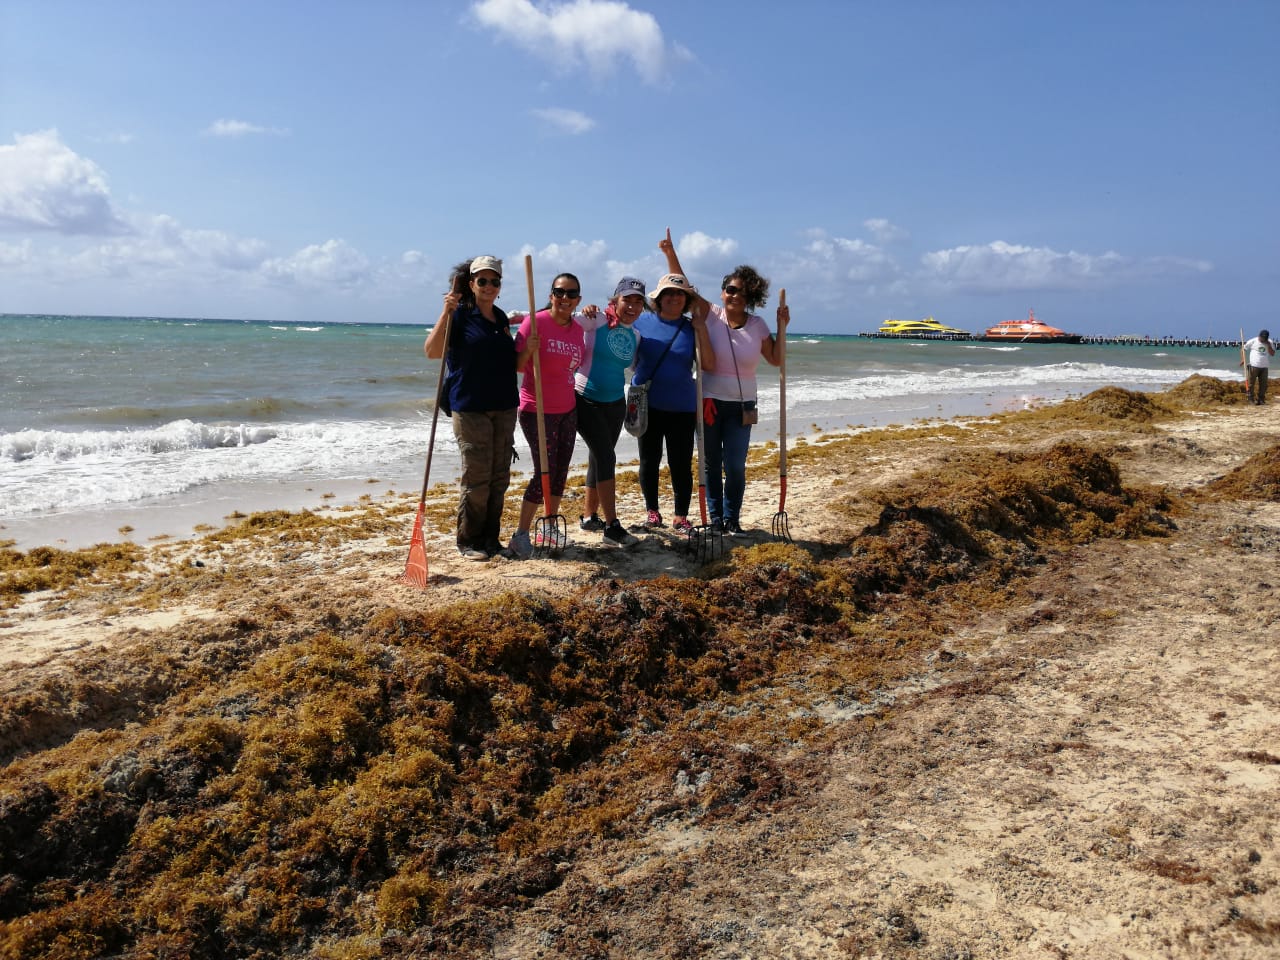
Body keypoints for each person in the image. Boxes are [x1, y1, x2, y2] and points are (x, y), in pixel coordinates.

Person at [661, 230, 788, 535]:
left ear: (751, 298)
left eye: (742, 293)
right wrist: (669, 253)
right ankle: (715, 519)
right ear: (722, 292)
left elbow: (775, 359)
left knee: (734, 466)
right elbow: (684, 285)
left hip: (742, 406)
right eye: (730, 289)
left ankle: (733, 518)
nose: (734, 295)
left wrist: (782, 327)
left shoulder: (758, 326)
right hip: (708, 401)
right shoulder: (710, 314)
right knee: (709, 464)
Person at [424, 255, 527, 560]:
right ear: (471, 284)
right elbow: (431, 351)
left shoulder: (499, 318)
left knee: (499, 477)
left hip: (505, 406)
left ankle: (490, 540)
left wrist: (528, 349)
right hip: (470, 407)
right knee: (477, 477)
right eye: (482, 280)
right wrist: (446, 311)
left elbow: (511, 364)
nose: (489, 286)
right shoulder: (460, 315)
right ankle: (468, 541)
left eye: (494, 281)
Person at [631, 255, 715, 533]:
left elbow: (708, 364)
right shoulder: (640, 322)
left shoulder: (692, 327)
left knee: (680, 463)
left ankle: (681, 516)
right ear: (659, 297)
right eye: (669, 293)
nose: (675, 298)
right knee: (649, 460)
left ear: (687, 300)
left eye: (680, 294)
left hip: (682, 406)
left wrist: (701, 329)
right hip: (647, 404)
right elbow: (621, 349)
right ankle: (652, 512)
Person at [507, 273, 587, 559]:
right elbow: (516, 367)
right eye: (559, 292)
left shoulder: (577, 330)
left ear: (578, 299)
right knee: (544, 470)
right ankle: (520, 535)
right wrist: (528, 350)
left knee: (560, 470)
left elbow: (571, 369)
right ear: (551, 295)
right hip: (536, 409)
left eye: (571, 293)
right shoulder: (535, 322)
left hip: (567, 408)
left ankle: (550, 524)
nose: (565, 298)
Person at [574, 277, 644, 547]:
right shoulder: (597, 320)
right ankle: (612, 527)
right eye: (627, 300)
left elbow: (635, 368)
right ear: (615, 300)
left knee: (598, 457)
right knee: (606, 456)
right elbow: (561, 324)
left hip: (616, 402)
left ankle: (589, 516)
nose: (632, 306)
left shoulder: (635, 335)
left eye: (638, 302)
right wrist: (585, 310)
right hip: (585, 398)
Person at [1243, 329, 1275, 405]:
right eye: (1262, 338)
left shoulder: (1269, 342)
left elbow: (1272, 354)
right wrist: (1242, 359)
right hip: (1253, 366)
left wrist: (1269, 345)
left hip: (1264, 367)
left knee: (1263, 385)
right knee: (1251, 384)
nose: (1263, 340)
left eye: (1265, 339)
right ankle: (1251, 399)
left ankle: (1261, 400)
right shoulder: (1253, 341)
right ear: (1259, 336)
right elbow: (1243, 349)